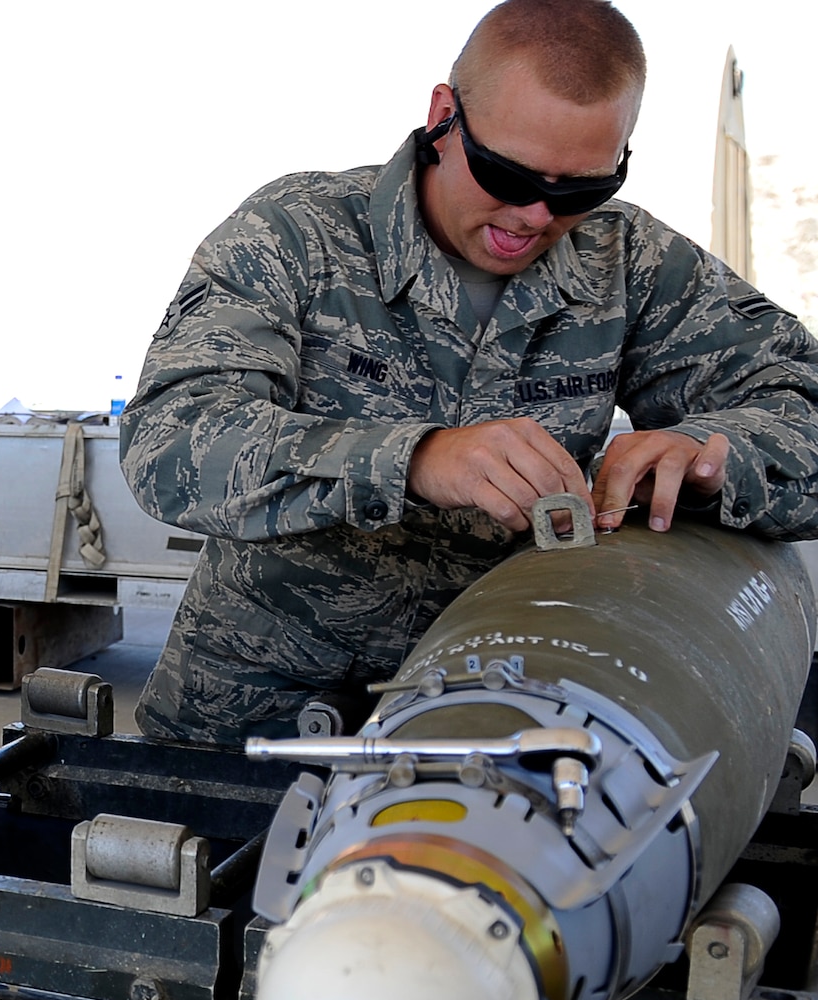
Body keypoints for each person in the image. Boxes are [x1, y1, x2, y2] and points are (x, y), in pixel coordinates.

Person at [122, 0, 818, 747]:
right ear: (443, 118)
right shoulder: (295, 234)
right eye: (505, 173)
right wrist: (416, 459)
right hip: (253, 717)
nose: (533, 214)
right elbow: (170, 441)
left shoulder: (632, 265)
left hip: (498, 722)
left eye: (579, 190)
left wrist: (715, 454)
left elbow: (800, 402)